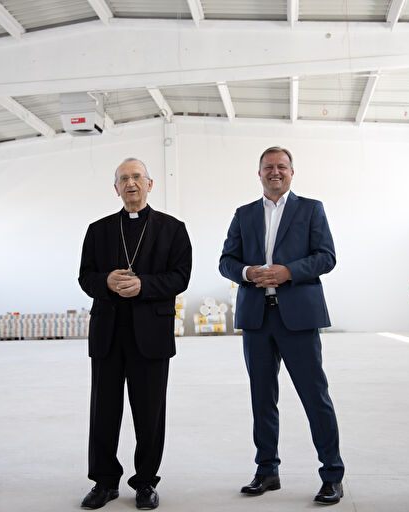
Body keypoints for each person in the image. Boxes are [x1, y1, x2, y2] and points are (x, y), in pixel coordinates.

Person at [219, 146, 345, 504]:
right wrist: (247, 272)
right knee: (262, 398)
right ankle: (266, 471)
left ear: (292, 172)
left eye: (282, 167)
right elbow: (226, 261)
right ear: (259, 173)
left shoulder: (311, 209)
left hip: (299, 317)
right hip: (257, 318)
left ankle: (332, 474)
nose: (275, 172)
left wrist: (289, 271)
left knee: (315, 396)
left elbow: (326, 257)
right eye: (268, 167)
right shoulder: (244, 214)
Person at [78, 158, 192, 510]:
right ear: (116, 188)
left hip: (151, 334)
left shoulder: (173, 229)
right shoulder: (98, 230)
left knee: (149, 414)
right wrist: (106, 282)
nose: (131, 183)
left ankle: (145, 482)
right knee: (103, 412)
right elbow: (85, 277)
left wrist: (144, 284)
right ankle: (104, 481)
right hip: (108, 334)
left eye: (137, 177)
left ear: (150, 184)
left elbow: (180, 277)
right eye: (124, 179)